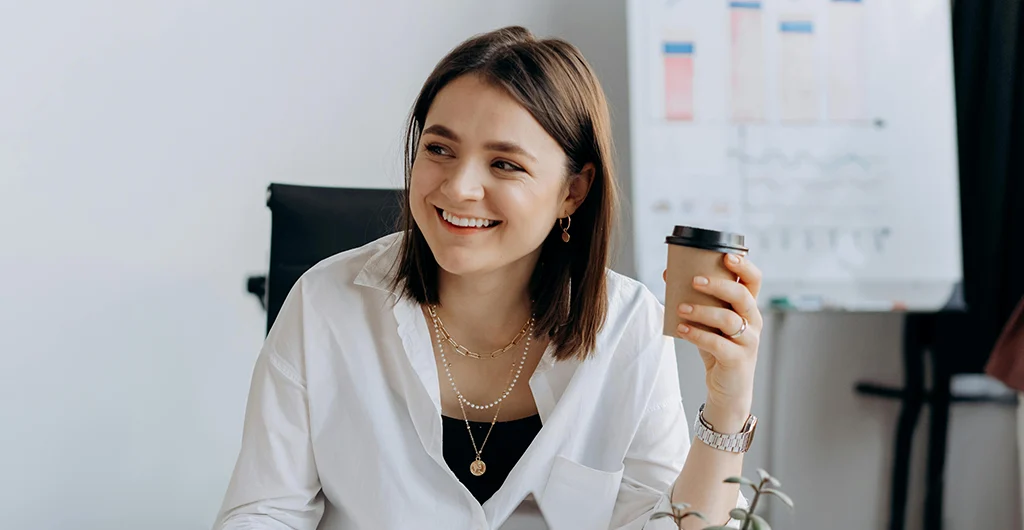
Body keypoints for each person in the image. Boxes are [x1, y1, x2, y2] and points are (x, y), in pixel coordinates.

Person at [213, 26, 764, 530]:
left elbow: (672, 522)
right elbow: (264, 513)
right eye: (439, 149)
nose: (458, 188)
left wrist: (727, 403)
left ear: (573, 190)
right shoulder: (324, 304)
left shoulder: (627, 325)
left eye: (505, 164)